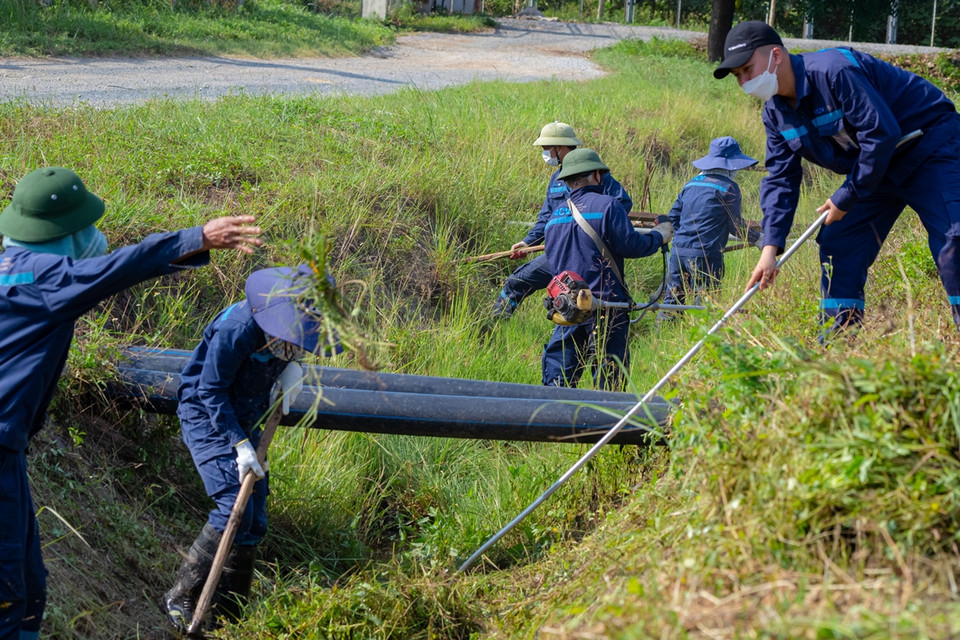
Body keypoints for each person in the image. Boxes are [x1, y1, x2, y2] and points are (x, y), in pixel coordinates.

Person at [0, 166, 262, 640]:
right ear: (63, 231)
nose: (94, 236)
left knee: (29, 584)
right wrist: (197, 237)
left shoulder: (12, 269)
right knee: (9, 595)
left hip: (9, 451)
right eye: (86, 227)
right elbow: (116, 269)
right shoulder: (44, 278)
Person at [714, 20, 960, 335]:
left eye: (747, 69)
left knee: (953, 239)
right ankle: (838, 344)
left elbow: (881, 133)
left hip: (927, 145)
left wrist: (846, 196)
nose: (745, 81)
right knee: (838, 241)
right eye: (738, 76)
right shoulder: (775, 114)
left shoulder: (834, 72)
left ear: (776, 55)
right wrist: (770, 248)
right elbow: (780, 178)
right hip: (875, 167)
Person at [163, 264, 340, 633]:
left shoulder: (287, 330)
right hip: (208, 416)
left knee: (254, 517)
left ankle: (231, 612)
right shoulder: (238, 329)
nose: (293, 348)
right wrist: (240, 444)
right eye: (292, 344)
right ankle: (182, 594)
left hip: (247, 415)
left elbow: (290, 348)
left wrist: (290, 370)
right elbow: (210, 391)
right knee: (233, 508)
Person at [541, 149, 673, 389]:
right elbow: (631, 245)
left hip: (567, 308)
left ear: (568, 179)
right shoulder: (609, 206)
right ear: (596, 175)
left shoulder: (554, 217)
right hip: (606, 307)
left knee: (557, 381)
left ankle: (555, 424)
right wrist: (658, 237)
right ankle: (606, 426)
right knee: (609, 382)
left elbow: (553, 262)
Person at [491, 121, 633, 321]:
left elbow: (621, 204)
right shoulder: (556, 179)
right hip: (559, 253)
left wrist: (588, 227)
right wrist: (527, 242)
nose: (545, 153)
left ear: (561, 147)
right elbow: (546, 218)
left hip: (588, 255)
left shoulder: (596, 173)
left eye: (547, 148)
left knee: (584, 308)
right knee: (517, 281)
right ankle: (493, 328)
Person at [657, 136, 761, 323]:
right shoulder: (729, 187)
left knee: (671, 302)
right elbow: (736, 227)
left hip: (678, 251)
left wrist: (684, 237)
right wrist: (759, 239)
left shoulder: (690, 184)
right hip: (706, 255)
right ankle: (702, 346)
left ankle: (661, 336)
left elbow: (672, 218)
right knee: (705, 305)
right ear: (731, 166)